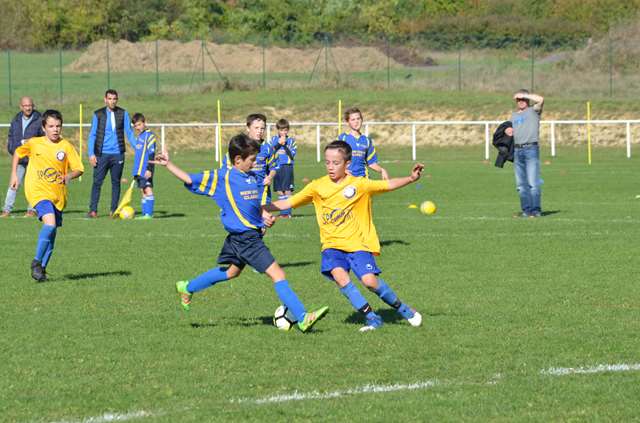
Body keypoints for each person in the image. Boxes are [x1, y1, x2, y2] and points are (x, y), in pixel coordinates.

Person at [152, 133, 329, 332]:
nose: (255, 163)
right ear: (237, 160)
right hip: (246, 239)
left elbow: (251, 206)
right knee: (278, 274)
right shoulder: (223, 177)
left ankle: (187, 287)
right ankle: (303, 318)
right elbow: (189, 179)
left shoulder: (252, 177)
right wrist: (168, 164)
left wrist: (263, 216)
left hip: (246, 236)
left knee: (231, 272)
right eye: (252, 160)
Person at [265, 140, 423, 332]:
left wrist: (411, 178)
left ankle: (405, 310)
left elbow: (387, 185)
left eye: (336, 163)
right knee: (340, 277)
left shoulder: (359, 184)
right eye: (327, 162)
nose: (330, 167)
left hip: (358, 244)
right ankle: (373, 319)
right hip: (331, 245)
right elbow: (288, 202)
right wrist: (260, 208)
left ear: (347, 164)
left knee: (370, 282)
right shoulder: (317, 186)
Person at [10, 110, 84, 281]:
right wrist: (14, 174)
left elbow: (79, 169)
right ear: (44, 128)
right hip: (37, 191)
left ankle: (41, 270)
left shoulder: (66, 146)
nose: (55, 129)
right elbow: (18, 153)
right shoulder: (34, 143)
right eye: (51, 126)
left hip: (57, 196)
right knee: (50, 224)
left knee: (52, 234)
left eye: (58, 126)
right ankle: (36, 262)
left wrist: (68, 176)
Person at [87, 89, 136, 218]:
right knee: (97, 182)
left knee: (116, 183)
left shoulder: (123, 113)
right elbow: (92, 135)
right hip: (101, 154)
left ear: (117, 100)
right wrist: (91, 154)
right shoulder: (98, 114)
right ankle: (93, 210)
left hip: (118, 154)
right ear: (105, 100)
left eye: (114, 99)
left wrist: (138, 149)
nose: (112, 101)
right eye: (109, 99)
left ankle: (113, 210)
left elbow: (129, 133)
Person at [222, 114, 279, 205]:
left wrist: (270, 177)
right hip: (241, 193)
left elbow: (274, 167)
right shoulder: (238, 146)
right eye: (256, 128)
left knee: (264, 214)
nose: (259, 131)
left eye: (262, 128)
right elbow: (225, 170)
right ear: (248, 128)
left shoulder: (268, 148)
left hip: (262, 194)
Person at [2, 97, 44, 217]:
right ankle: (6, 209)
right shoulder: (15, 120)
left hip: (34, 159)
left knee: (33, 185)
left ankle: (32, 209)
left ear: (33, 106)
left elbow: (44, 138)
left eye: (30, 105)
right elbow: (11, 136)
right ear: (21, 107)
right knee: (13, 184)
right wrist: (12, 149)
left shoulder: (40, 119)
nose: (28, 108)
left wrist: (32, 142)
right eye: (25, 106)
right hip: (19, 159)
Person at [505, 89, 544, 218]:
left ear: (527, 99)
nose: (521, 101)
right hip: (517, 151)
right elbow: (512, 130)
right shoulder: (513, 115)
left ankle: (536, 211)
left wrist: (525, 94)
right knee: (521, 185)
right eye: (518, 99)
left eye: (523, 99)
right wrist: (508, 131)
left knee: (533, 183)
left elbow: (541, 99)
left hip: (531, 149)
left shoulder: (534, 110)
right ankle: (526, 211)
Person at [338, 107, 388, 179]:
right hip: (347, 179)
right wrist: (343, 170)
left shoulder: (366, 141)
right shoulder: (342, 138)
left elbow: (371, 163)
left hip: (363, 179)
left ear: (362, 120)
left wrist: (382, 170)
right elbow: (334, 160)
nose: (356, 122)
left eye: (358, 119)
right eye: (353, 119)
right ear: (348, 122)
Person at [131, 113, 157, 219]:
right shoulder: (140, 136)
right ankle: (144, 214)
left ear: (144, 122)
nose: (137, 127)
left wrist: (149, 169)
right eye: (135, 126)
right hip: (139, 170)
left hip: (145, 169)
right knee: (143, 191)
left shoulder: (150, 136)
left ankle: (149, 214)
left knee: (148, 189)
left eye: (139, 124)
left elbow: (151, 154)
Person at [270, 118, 296, 217]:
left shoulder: (291, 141)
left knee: (287, 189)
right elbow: (271, 151)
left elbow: (292, 155)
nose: (283, 132)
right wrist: (279, 144)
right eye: (281, 130)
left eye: (285, 130)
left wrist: (284, 145)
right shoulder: (273, 140)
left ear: (288, 130)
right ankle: (283, 212)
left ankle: (287, 213)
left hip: (287, 167)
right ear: (278, 130)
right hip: (276, 167)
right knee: (280, 190)